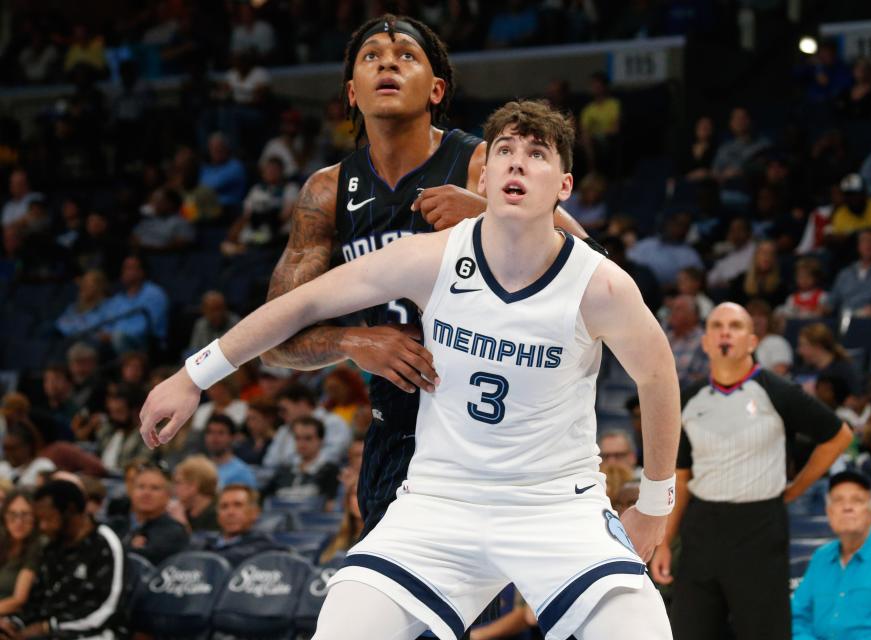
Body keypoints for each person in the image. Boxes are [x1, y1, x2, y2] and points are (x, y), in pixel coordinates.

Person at [140, 99, 680, 640]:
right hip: (440, 501)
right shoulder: (431, 257)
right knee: (342, 628)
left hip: (556, 505)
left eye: (536, 154)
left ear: (564, 187)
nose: (517, 162)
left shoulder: (600, 284)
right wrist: (193, 375)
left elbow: (658, 377)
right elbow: (301, 304)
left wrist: (655, 506)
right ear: (485, 173)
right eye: (505, 151)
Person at [258, 14, 588, 538]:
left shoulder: (482, 160)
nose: (388, 62)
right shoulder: (327, 191)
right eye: (372, 57)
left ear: (436, 89)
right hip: (396, 426)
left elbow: (591, 261)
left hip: (493, 417)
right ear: (351, 92)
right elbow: (273, 340)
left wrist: (489, 214)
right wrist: (354, 341)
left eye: (406, 55)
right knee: (394, 610)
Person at [649, 302, 853, 640]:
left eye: (735, 325)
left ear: (752, 342)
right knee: (689, 630)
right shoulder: (689, 399)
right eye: (716, 325)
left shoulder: (777, 390)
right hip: (701, 528)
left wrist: (793, 491)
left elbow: (838, 436)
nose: (725, 332)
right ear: (706, 342)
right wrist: (665, 542)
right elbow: (681, 477)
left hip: (759, 528)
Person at [791, 471, 871, 640]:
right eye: (838, 500)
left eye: (857, 500)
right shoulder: (820, 557)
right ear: (829, 512)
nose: (847, 507)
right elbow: (798, 617)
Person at [0, 480, 126, 639]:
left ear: (70, 511)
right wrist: (15, 622)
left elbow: (108, 609)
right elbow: (37, 600)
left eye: (48, 519)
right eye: (40, 521)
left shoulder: (104, 543)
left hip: (92, 633)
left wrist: (47, 627)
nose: (43, 527)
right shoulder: (52, 545)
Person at [109, 463, 189, 564]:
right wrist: (130, 546)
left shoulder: (174, 532)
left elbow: (150, 558)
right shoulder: (116, 525)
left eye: (155, 488)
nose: (146, 493)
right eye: (141, 487)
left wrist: (125, 548)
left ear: (168, 495)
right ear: (131, 492)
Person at [199, 484, 285, 566]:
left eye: (238, 505)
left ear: (255, 513)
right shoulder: (204, 544)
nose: (230, 512)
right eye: (224, 506)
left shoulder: (265, 546)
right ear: (217, 514)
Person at [263, 416, 340, 503]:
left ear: (320, 441)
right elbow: (264, 498)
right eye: (297, 438)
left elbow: (329, 504)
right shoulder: (283, 470)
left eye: (308, 438)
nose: (302, 443)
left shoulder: (331, 471)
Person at [0, 491, 41, 616]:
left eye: (26, 515)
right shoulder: (3, 539)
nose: (18, 521)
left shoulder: (37, 546)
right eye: (12, 514)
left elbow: (18, 600)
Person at [204, 414, 256, 489]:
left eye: (221, 433)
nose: (214, 437)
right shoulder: (199, 468)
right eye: (210, 432)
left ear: (232, 437)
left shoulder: (242, 472)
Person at [318, 480, 364, 563]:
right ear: (348, 501)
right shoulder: (332, 539)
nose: (360, 499)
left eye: (365, 494)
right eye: (355, 494)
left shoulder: (381, 540)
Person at [171, 455, 220, 532]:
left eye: (178, 482)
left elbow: (205, 543)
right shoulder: (185, 511)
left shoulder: (218, 515)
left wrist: (182, 524)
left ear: (193, 486)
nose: (174, 489)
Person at [0, 423, 55, 489]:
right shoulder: (2, 467)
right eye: (5, 449)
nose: (8, 453)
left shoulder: (43, 466)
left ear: (27, 447)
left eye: (12, 449)